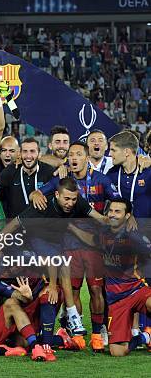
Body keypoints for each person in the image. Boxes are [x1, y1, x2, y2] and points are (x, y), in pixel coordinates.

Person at [34, 141, 118, 350]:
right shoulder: (62, 181)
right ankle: (75, 330)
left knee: (96, 289)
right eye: (71, 155)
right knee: (72, 288)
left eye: (78, 154)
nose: (74, 158)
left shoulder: (101, 180)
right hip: (68, 244)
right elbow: (39, 193)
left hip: (92, 244)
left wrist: (119, 219)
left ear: (87, 157)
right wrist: (36, 193)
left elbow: (118, 203)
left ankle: (98, 334)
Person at [66, 199, 151, 356]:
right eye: (111, 210)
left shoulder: (134, 237)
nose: (112, 215)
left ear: (127, 216)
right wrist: (71, 228)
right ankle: (145, 337)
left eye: (117, 212)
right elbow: (92, 240)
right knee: (117, 352)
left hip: (136, 290)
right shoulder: (103, 232)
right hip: (116, 300)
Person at [0, 138, 55, 219]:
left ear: (39, 154)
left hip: (42, 226)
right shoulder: (11, 170)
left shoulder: (49, 171)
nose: (28, 156)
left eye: (32, 151)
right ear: (20, 153)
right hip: (15, 227)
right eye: (25, 151)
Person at [107, 131, 151, 218]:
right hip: (120, 229)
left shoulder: (148, 173)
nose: (109, 154)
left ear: (126, 152)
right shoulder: (111, 174)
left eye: (113, 150)